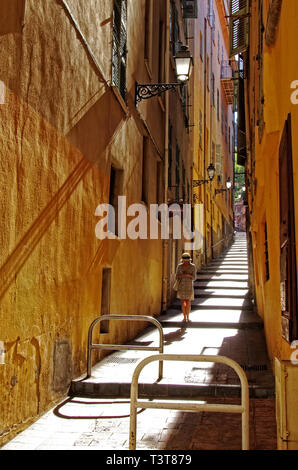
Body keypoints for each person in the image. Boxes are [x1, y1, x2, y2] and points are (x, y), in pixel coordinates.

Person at [175, 252, 196, 322]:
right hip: (181, 286)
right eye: (184, 261)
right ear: (182, 260)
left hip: (189, 286)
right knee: (183, 303)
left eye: (187, 261)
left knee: (188, 303)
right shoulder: (179, 266)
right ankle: (184, 317)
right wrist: (181, 276)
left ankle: (188, 317)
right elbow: (176, 277)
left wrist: (188, 275)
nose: (186, 262)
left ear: (189, 260)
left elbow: (194, 278)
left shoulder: (193, 266)